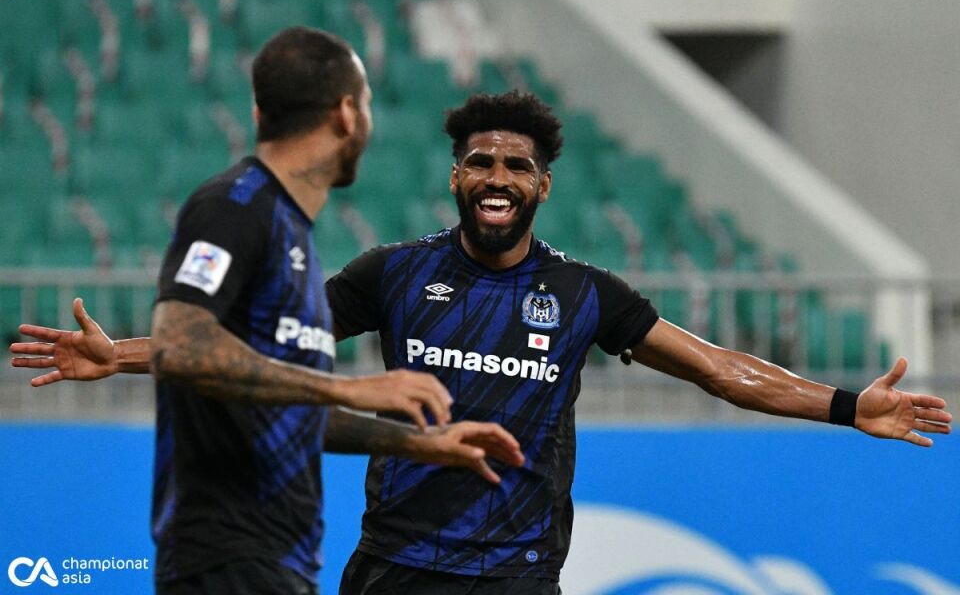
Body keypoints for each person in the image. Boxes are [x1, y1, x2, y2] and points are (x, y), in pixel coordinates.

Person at [12, 91, 951, 595]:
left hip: (515, 574)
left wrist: (844, 404)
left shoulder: (586, 295)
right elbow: (255, 342)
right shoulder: (393, 275)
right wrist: (118, 354)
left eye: (517, 166)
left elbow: (721, 372)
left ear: (543, 187)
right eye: (480, 162)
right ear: (456, 178)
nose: (497, 176)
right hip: (393, 563)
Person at [11, 29, 526, 595]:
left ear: (259, 113)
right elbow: (185, 346)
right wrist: (349, 388)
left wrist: (427, 444)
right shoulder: (236, 205)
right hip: (226, 560)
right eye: (368, 104)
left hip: (277, 563)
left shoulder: (287, 230)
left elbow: (279, 406)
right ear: (347, 113)